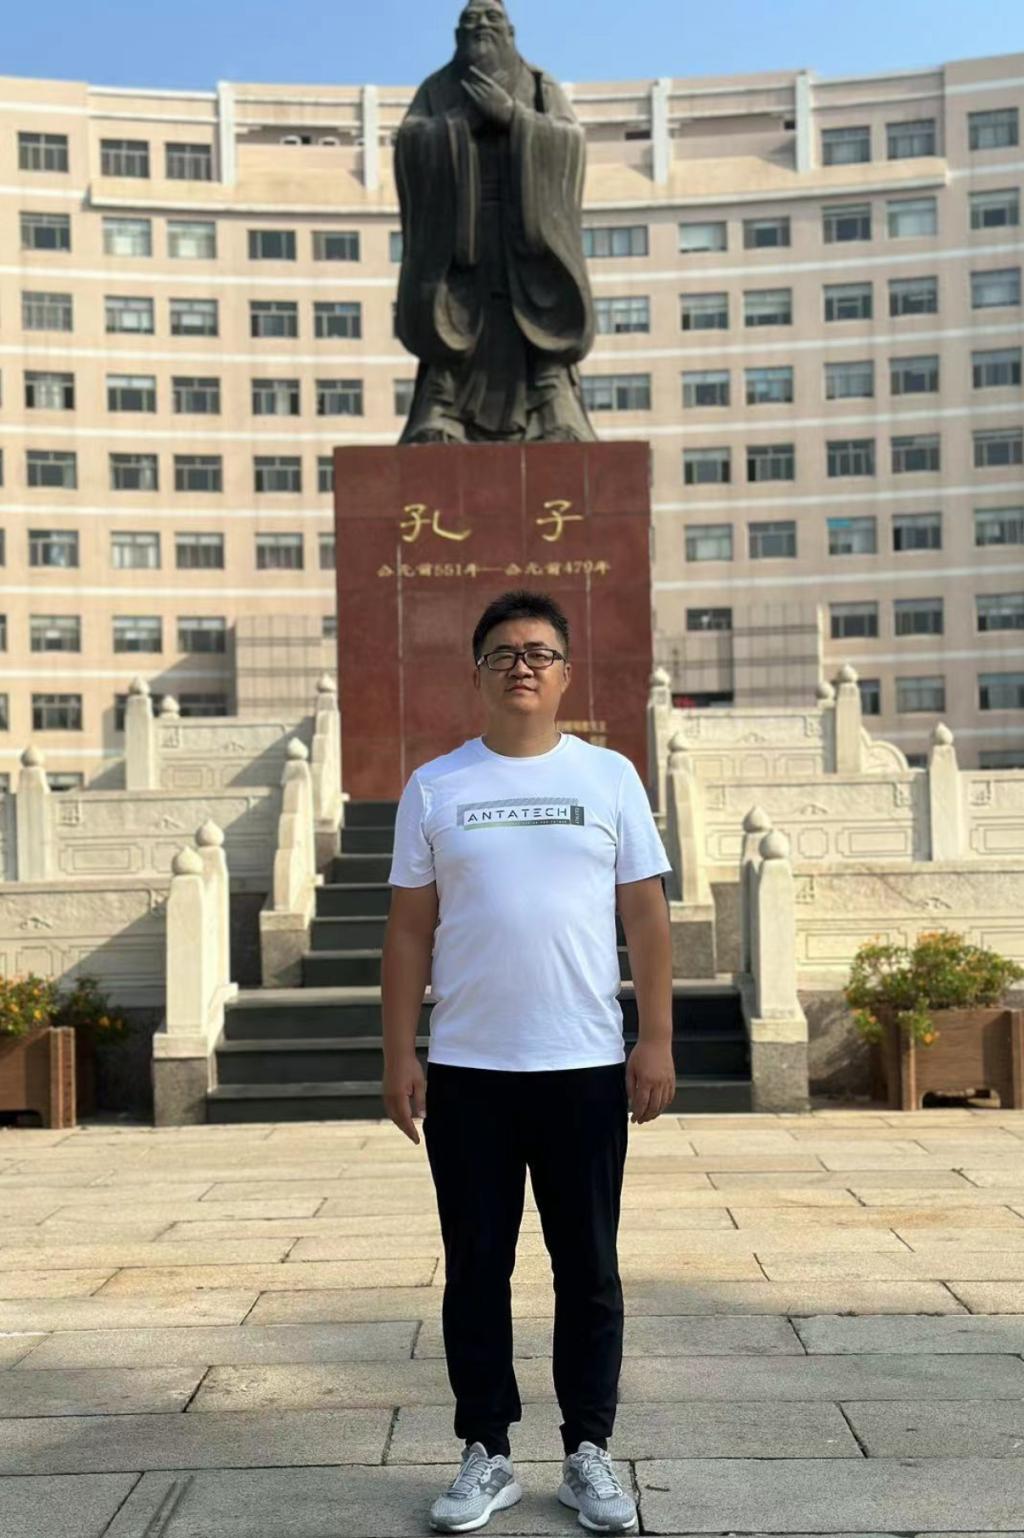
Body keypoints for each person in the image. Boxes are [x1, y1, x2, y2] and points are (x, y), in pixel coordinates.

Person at [381, 590, 675, 1533]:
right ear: (476, 673)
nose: (522, 665)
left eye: (540, 652)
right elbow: (408, 931)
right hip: (470, 1068)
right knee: (476, 1268)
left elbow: (646, 918)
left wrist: (656, 1038)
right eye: (503, 652)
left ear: (566, 674)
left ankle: (589, 1450)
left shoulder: (610, 777)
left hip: (582, 1063)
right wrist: (399, 1051)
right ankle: (487, 1451)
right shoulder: (436, 786)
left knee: (588, 1267)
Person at [394, 0, 597, 444]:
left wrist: (511, 116)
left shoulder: (539, 84)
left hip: (526, 227)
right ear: (456, 36)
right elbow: (410, 143)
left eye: (491, 17)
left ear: (511, 31)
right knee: (451, 308)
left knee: (538, 303)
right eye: (470, 19)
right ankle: (441, 404)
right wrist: (460, 124)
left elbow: (570, 141)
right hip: (459, 230)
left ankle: (551, 401)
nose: (480, 24)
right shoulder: (437, 88)